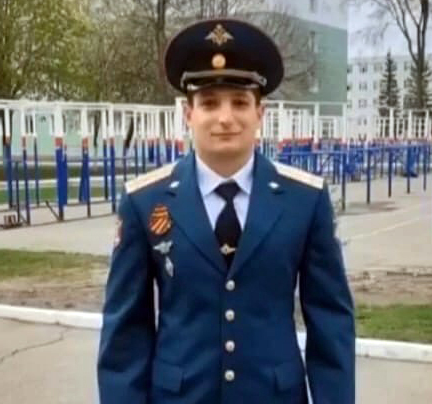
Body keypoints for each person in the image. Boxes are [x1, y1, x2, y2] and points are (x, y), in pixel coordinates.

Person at [97, 18, 355, 404]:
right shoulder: (144, 202)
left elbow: (330, 322)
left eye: (239, 102)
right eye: (209, 103)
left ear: (260, 112)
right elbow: (125, 333)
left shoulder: (304, 200)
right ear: (188, 114)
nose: (225, 117)